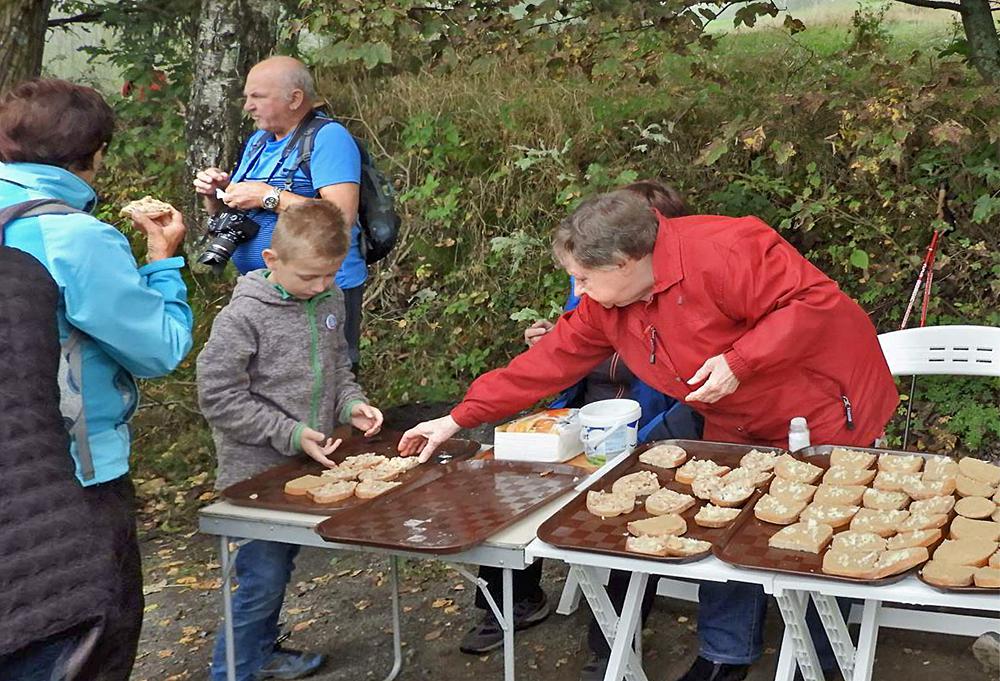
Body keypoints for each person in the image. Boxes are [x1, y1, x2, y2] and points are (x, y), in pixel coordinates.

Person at [399, 190, 900, 681]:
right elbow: (547, 362)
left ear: (623, 262)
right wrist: (456, 419)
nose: (577, 288)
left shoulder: (730, 247)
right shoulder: (607, 302)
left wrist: (740, 360)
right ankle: (725, 655)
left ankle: (827, 656)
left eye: (583, 277)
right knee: (726, 521)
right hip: (732, 413)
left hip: (822, 403)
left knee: (824, 526)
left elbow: (815, 302)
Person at [459, 183, 703, 681]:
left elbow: (686, 392)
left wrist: (647, 440)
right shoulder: (593, 281)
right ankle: (513, 600)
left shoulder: (684, 294)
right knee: (508, 474)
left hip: (647, 426)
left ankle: (611, 642)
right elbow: (570, 352)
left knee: (631, 509)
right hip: (577, 417)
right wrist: (550, 340)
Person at [0, 78, 194, 680]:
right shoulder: (75, 238)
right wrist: (164, 265)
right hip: (71, 478)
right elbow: (158, 348)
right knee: (92, 640)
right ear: (94, 154)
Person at [198, 199, 384, 681]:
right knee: (260, 578)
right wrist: (292, 433)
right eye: (310, 278)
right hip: (256, 474)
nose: (321, 286)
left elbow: (339, 367)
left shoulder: (328, 298)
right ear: (271, 261)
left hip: (308, 464)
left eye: (331, 275)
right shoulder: (242, 318)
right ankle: (231, 672)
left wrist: (351, 406)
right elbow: (218, 397)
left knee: (279, 566)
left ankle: (261, 655)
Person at [193, 55, 367, 369]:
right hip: (265, 287)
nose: (247, 105)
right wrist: (218, 195)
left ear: (295, 98)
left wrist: (267, 196)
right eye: (247, 97)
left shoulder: (329, 138)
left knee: (322, 382)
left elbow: (341, 215)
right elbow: (239, 212)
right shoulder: (259, 141)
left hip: (319, 287)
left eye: (257, 96)